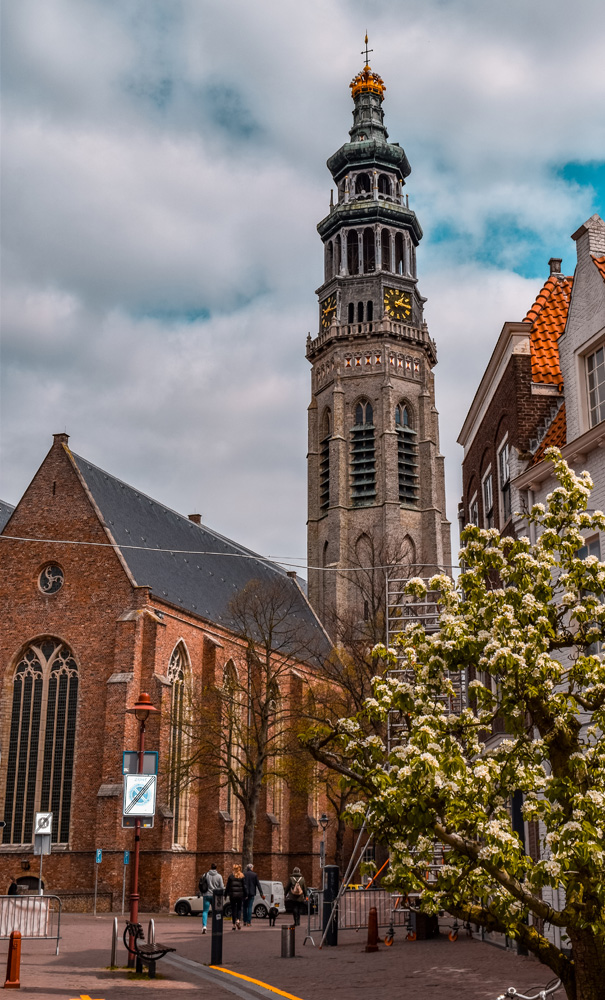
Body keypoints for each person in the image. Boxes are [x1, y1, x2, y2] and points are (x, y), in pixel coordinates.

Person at [198, 863, 224, 934]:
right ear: (216, 868)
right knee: (215, 911)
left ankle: (204, 926)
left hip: (206, 895)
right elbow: (221, 887)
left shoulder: (205, 875)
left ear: (210, 867)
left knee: (205, 911)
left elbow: (201, 883)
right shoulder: (219, 876)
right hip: (215, 896)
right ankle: (215, 927)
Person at [225, 863, 246, 930]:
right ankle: (238, 920)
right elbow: (244, 886)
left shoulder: (231, 877)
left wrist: (225, 894)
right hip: (240, 895)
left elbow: (227, 886)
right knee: (239, 908)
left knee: (233, 909)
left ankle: (233, 925)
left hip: (232, 895)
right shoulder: (242, 876)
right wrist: (246, 894)